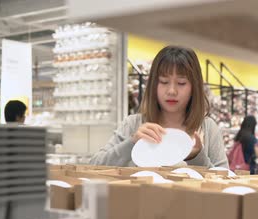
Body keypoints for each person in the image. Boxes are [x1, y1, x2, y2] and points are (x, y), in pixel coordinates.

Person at [90, 45, 228, 168]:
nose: (171, 91)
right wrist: (132, 142)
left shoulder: (208, 128)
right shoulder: (133, 124)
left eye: (181, 83)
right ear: (153, 84)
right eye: (164, 81)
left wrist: (197, 158)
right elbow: (94, 166)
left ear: (194, 87)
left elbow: (226, 182)